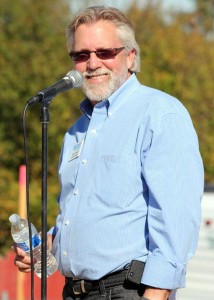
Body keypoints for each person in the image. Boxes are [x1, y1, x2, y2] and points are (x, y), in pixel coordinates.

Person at [13, 5, 204, 300]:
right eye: (81, 55)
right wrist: (45, 246)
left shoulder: (160, 113)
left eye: (105, 52)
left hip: (126, 290)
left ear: (130, 57)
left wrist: (156, 293)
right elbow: (87, 213)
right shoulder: (76, 131)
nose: (92, 63)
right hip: (73, 291)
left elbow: (176, 219)